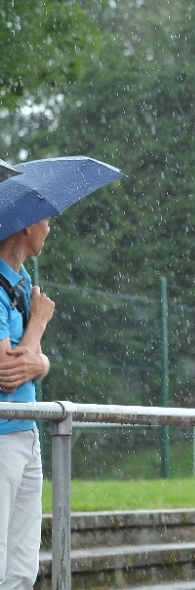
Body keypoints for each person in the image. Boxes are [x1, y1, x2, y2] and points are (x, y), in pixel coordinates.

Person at [0, 218, 56, 590]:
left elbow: (35, 362)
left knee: (22, 569)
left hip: (26, 432)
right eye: (46, 221)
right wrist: (38, 322)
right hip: (3, 438)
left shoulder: (20, 282)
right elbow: (6, 373)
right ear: (26, 226)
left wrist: (41, 364)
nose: (49, 229)